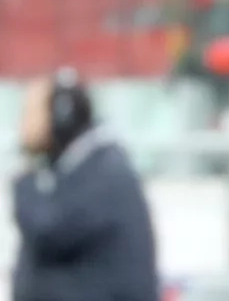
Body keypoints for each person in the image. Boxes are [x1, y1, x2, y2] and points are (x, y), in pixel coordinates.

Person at [13, 69, 159, 301]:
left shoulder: (104, 172)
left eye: (32, 113)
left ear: (62, 114)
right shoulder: (81, 168)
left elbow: (46, 232)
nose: (25, 125)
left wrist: (26, 178)